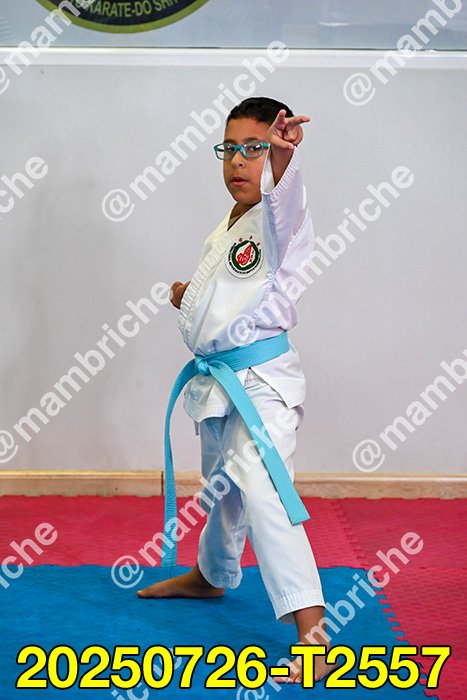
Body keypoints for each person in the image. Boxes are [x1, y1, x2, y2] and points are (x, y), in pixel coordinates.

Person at [137, 97, 333, 684]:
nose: (239, 161)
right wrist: (187, 297)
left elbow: (285, 200)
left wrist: (285, 157)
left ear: (275, 153)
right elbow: (230, 295)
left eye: (255, 149)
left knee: (266, 491)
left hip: (261, 385)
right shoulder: (229, 224)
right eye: (230, 149)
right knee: (222, 486)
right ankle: (212, 575)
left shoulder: (279, 217)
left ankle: (313, 633)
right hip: (220, 381)